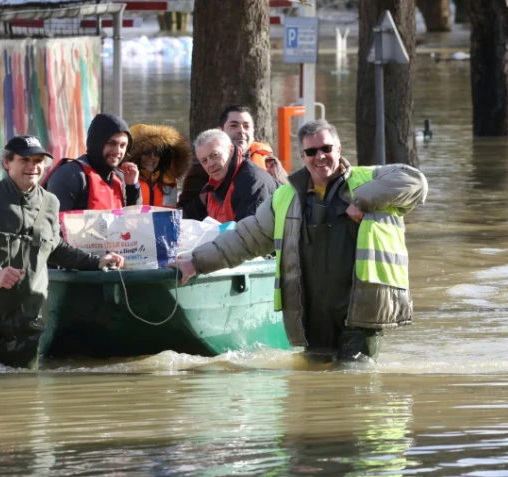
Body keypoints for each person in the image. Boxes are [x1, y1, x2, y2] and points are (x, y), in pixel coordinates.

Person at [171, 120, 428, 362]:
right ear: (302, 156)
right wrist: (196, 262)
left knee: (354, 384)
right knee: (313, 392)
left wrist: (363, 201)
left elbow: (415, 181)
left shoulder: (366, 179)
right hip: (311, 317)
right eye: (311, 151)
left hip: (360, 311)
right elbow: (244, 239)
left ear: (338, 149)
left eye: (326, 148)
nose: (320, 156)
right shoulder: (286, 197)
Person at [0, 134, 125, 370]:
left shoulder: (50, 202)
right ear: (7, 163)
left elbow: (56, 248)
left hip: (27, 322)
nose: (33, 167)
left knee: (24, 396)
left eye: (38, 160)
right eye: (25, 160)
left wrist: (98, 262)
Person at [178, 105, 287, 209]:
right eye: (234, 126)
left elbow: (289, 201)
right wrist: (206, 199)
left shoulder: (269, 163)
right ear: (220, 132)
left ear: (253, 132)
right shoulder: (203, 167)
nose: (241, 131)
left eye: (246, 126)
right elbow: (181, 214)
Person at [43, 113, 141, 211]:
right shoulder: (70, 175)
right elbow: (53, 221)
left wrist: (132, 188)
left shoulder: (120, 178)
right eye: (111, 143)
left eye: (123, 145)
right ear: (97, 143)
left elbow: (133, 220)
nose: (117, 151)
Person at [180, 129, 278, 223]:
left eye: (215, 155)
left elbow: (250, 234)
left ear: (230, 150)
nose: (210, 164)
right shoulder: (213, 185)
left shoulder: (252, 183)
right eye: (204, 160)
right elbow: (186, 218)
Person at [125, 123, 192, 207]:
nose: (152, 157)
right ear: (136, 156)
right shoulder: (127, 180)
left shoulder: (169, 180)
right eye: (146, 152)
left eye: (157, 153)